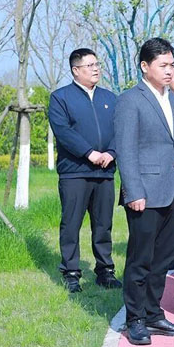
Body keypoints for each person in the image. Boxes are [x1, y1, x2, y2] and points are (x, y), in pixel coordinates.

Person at [115, 37, 174, 345]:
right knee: (141, 259)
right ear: (145, 66)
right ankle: (135, 319)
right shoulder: (130, 100)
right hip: (144, 194)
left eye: (171, 64)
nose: (169, 70)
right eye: (163, 65)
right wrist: (133, 191)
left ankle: (153, 313)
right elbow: (125, 150)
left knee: (163, 259)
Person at [48, 48, 120, 293]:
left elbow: (120, 129)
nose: (96, 69)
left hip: (105, 171)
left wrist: (111, 153)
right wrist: (89, 153)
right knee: (71, 224)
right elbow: (63, 131)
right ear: (76, 70)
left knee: (103, 224)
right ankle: (71, 272)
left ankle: (105, 271)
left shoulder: (110, 98)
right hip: (75, 172)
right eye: (90, 65)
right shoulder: (61, 97)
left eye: (97, 64)